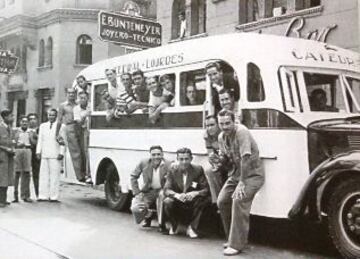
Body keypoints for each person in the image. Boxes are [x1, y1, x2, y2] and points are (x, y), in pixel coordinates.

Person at [216, 109, 264, 256]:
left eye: (227, 123)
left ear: (234, 121)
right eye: (221, 124)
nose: (225, 127)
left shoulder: (241, 131)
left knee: (239, 199)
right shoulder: (221, 137)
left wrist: (242, 182)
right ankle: (231, 238)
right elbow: (227, 160)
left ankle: (237, 244)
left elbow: (246, 158)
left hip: (252, 175)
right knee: (222, 201)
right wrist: (218, 162)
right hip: (236, 175)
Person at [163, 148, 210, 238]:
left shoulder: (198, 169)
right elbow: (166, 189)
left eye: (186, 159)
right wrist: (177, 195)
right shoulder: (172, 169)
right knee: (167, 201)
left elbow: (206, 190)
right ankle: (174, 225)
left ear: (191, 159)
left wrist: (195, 193)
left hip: (192, 200)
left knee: (204, 200)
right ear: (177, 159)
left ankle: (191, 227)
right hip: (178, 199)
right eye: (181, 159)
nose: (184, 162)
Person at [130, 145, 171, 233]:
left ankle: (162, 224)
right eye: (153, 154)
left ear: (162, 154)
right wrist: (137, 192)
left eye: (158, 154)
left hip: (162, 190)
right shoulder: (143, 163)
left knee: (161, 197)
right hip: (148, 191)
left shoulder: (169, 164)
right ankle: (148, 216)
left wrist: (167, 190)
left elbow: (172, 179)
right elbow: (133, 177)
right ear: (150, 155)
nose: (156, 157)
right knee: (136, 208)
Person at [36, 109, 65, 202]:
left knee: (55, 176)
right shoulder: (43, 126)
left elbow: (63, 141)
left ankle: (54, 196)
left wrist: (61, 152)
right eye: (49, 115)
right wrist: (38, 152)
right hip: (45, 153)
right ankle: (42, 195)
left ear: (56, 116)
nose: (51, 117)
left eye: (53, 115)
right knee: (43, 175)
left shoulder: (61, 126)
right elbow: (40, 139)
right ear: (47, 116)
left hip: (55, 154)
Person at [57, 88, 84, 182]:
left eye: (73, 93)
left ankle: (85, 172)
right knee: (75, 152)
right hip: (70, 127)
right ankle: (79, 175)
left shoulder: (79, 104)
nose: (71, 94)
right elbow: (59, 120)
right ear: (66, 94)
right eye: (69, 93)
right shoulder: (63, 106)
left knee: (83, 150)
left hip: (80, 126)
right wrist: (57, 133)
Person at [203, 115, 226, 203]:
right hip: (219, 160)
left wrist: (220, 163)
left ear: (218, 125)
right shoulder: (207, 136)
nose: (209, 128)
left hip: (228, 160)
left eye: (212, 125)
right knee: (209, 170)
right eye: (207, 126)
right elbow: (210, 154)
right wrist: (214, 164)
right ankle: (217, 201)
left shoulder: (224, 133)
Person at [73, 91, 92, 184]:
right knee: (85, 152)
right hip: (84, 131)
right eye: (81, 98)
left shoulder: (91, 105)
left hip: (93, 130)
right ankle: (87, 174)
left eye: (84, 98)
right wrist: (85, 115)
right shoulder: (76, 109)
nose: (83, 100)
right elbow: (79, 122)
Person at [13, 116, 33, 203]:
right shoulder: (15, 131)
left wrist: (30, 143)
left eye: (26, 122)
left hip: (27, 150)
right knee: (16, 173)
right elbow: (11, 141)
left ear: (28, 123)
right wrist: (16, 145)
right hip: (18, 150)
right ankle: (15, 196)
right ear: (20, 122)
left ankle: (25, 195)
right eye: (22, 121)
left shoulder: (31, 132)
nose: (24, 123)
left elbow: (35, 143)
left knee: (27, 173)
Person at [0, 109, 15, 207]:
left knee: (7, 178)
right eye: (10, 116)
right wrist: (6, 149)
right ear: (5, 117)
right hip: (1, 156)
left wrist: (13, 147)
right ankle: (1, 200)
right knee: (1, 178)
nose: (12, 118)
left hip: (9, 157)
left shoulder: (10, 128)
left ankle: (3, 199)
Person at [28, 113, 40, 198]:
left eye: (34, 119)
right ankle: (25, 195)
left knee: (37, 173)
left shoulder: (40, 130)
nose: (32, 121)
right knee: (26, 174)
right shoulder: (25, 130)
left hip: (37, 153)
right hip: (27, 152)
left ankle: (38, 193)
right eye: (30, 119)